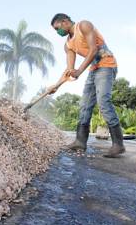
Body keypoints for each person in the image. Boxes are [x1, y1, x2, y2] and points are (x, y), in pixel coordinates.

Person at [50, 13, 125, 158]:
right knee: (84, 105)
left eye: (57, 28)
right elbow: (69, 70)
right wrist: (56, 85)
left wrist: (79, 71)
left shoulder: (83, 25)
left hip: (106, 64)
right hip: (93, 69)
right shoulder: (68, 45)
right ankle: (80, 141)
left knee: (103, 101)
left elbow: (93, 50)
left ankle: (118, 144)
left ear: (65, 22)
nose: (57, 32)